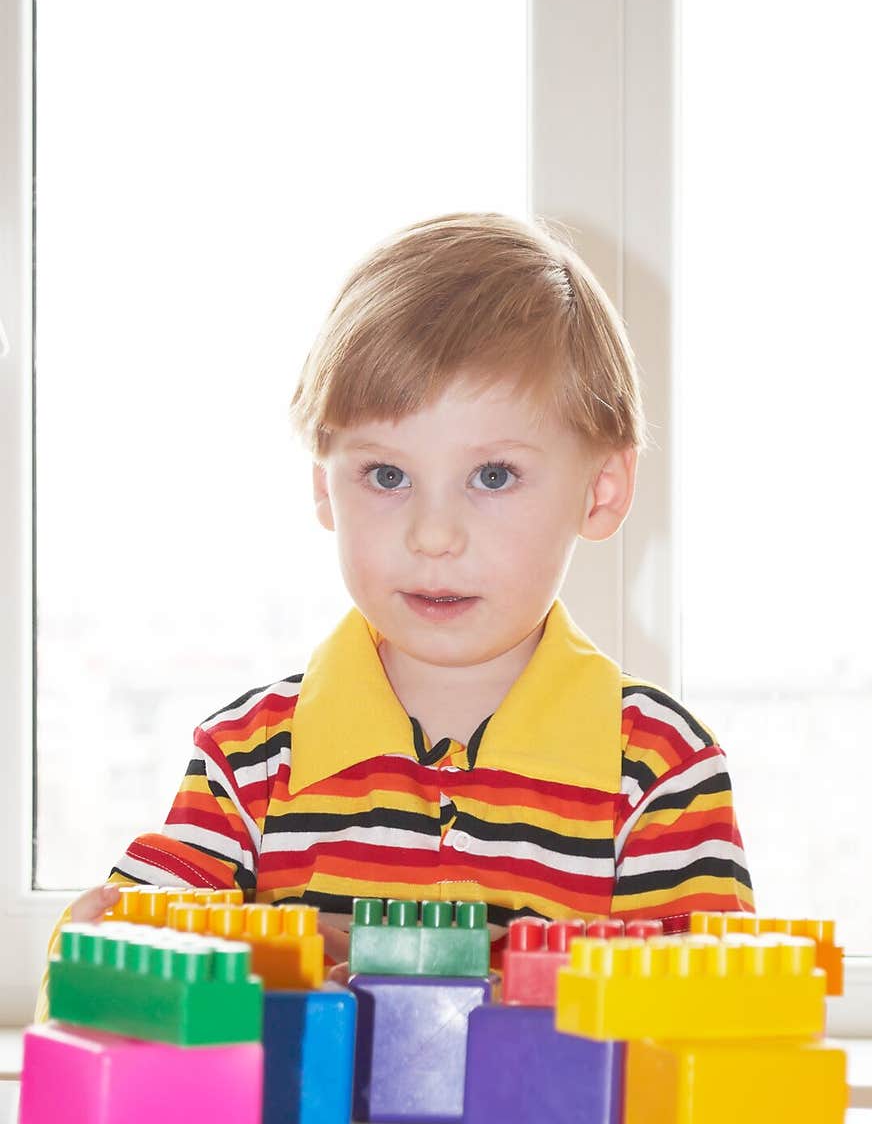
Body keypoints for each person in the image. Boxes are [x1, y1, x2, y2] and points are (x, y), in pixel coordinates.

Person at [34, 210, 753, 1020]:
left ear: (601, 490)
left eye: (492, 476)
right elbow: (101, 983)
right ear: (322, 485)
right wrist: (270, 965)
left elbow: (712, 1029)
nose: (433, 535)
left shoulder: (659, 769)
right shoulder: (252, 760)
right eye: (385, 474)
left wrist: (450, 979)